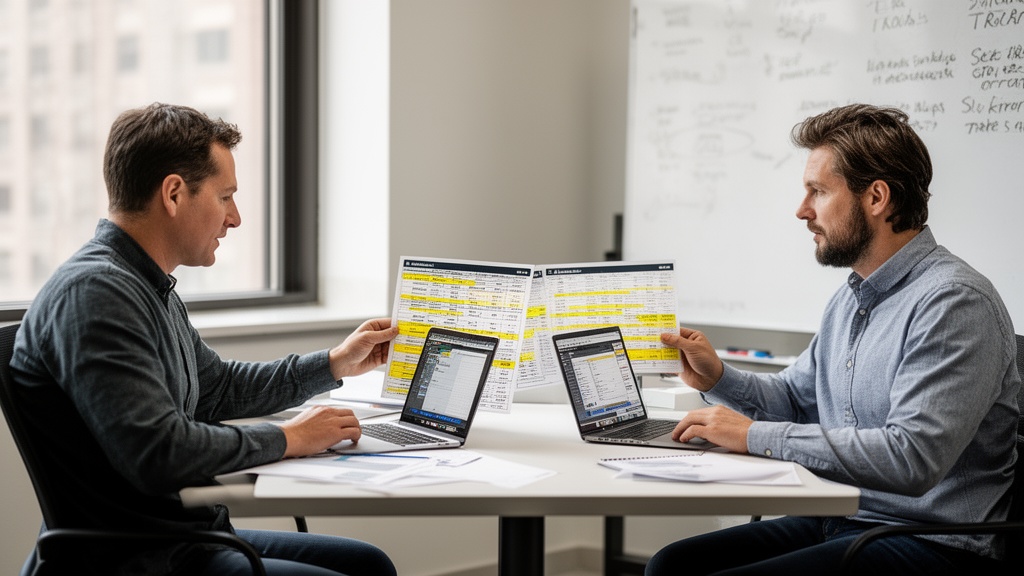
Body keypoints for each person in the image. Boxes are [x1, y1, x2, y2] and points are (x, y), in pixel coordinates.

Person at [9, 103, 399, 576]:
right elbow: (160, 453)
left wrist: (335, 363)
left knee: (369, 565)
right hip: (139, 558)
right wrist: (290, 437)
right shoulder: (96, 293)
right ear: (173, 193)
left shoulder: (144, 284)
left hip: (183, 538)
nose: (235, 218)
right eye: (225, 197)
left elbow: (218, 388)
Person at [646, 104, 1019, 576]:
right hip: (846, 518)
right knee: (671, 566)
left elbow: (912, 459)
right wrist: (717, 375)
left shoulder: (954, 304)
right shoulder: (852, 298)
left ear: (877, 198)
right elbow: (795, 400)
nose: (802, 211)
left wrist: (754, 435)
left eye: (818, 192)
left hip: (930, 542)